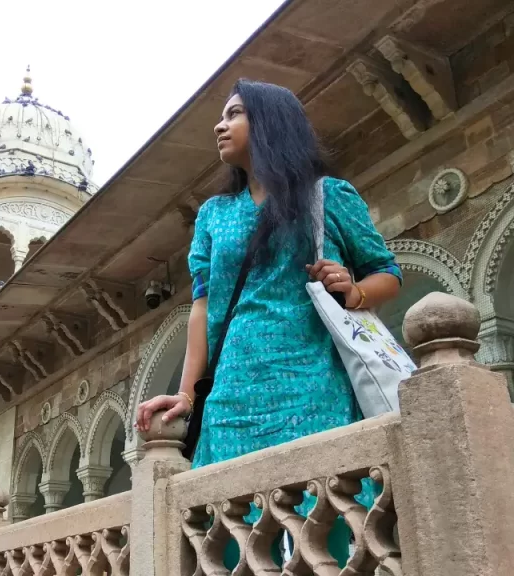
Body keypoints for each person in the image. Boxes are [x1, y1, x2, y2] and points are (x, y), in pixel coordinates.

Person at [134, 79, 403, 567]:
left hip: (312, 384)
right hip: (233, 396)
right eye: (222, 116)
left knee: (327, 517)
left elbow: (386, 272)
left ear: (270, 123)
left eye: (234, 113)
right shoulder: (215, 214)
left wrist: (355, 289)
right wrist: (189, 394)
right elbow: (202, 309)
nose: (220, 124)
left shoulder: (326, 195)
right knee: (234, 526)